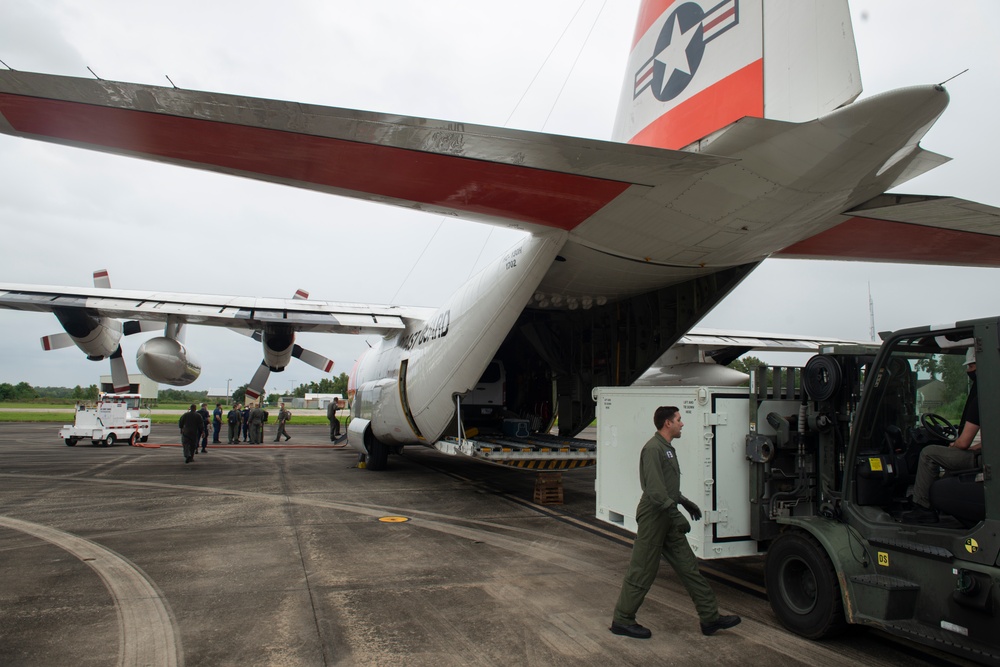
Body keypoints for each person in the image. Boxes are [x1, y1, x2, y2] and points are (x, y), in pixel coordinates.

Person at [610, 405, 741, 639]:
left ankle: (710, 617)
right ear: (667, 423)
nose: (682, 423)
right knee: (642, 570)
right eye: (679, 419)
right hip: (654, 517)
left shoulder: (667, 448)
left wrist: (684, 502)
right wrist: (675, 513)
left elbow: (667, 486)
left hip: (667, 515)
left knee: (689, 567)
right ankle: (623, 619)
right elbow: (654, 489)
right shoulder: (653, 449)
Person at [903, 348, 982, 524]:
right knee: (951, 461)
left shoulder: (982, 397)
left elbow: (963, 442)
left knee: (929, 453)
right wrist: (974, 448)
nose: (968, 370)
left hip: (986, 461)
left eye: (970, 366)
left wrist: (957, 445)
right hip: (987, 455)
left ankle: (922, 506)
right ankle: (937, 501)